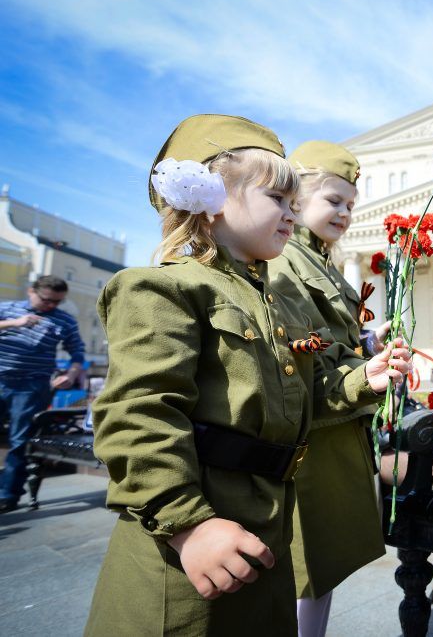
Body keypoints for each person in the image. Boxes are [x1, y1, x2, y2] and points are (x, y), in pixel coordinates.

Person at [84, 115, 410, 637]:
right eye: (276, 199)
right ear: (212, 200)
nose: (290, 213)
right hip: (195, 544)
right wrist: (188, 525)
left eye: (292, 200)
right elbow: (136, 415)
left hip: (263, 531)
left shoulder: (269, 302)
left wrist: (360, 378)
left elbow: (295, 398)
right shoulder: (162, 289)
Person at [268, 141, 388, 637]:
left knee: (319, 574)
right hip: (313, 440)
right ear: (295, 200)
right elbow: (301, 353)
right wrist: (364, 370)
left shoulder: (316, 259)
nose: (343, 213)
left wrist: (366, 341)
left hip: (334, 431)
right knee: (304, 573)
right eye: (332, 201)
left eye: (349, 205)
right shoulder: (285, 262)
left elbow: (331, 336)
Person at [0, 275, 86, 513]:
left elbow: (77, 351)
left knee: (20, 441)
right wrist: (14, 324)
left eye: (56, 302)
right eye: (47, 300)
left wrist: (71, 374)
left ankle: (7, 495)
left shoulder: (64, 321)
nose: (51, 306)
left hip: (31, 385)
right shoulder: (7, 309)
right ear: (31, 291)